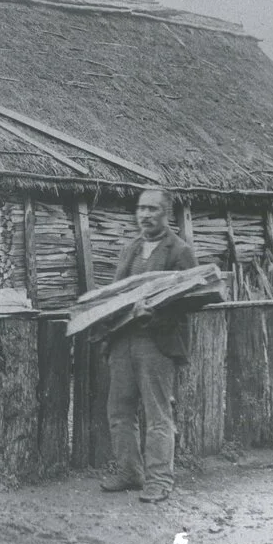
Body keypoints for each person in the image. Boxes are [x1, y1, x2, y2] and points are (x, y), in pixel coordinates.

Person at [99, 188, 197, 504]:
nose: (145, 215)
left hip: (156, 341)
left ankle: (159, 481)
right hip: (123, 339)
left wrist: (154, 313)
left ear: (166, 213)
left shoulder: (179, 251)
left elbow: (188, 302)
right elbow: (117, 292)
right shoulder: (132, 248)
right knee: (119, 410)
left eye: (153, 209)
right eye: (141, 209)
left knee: (157, 414)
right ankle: (130, 473)